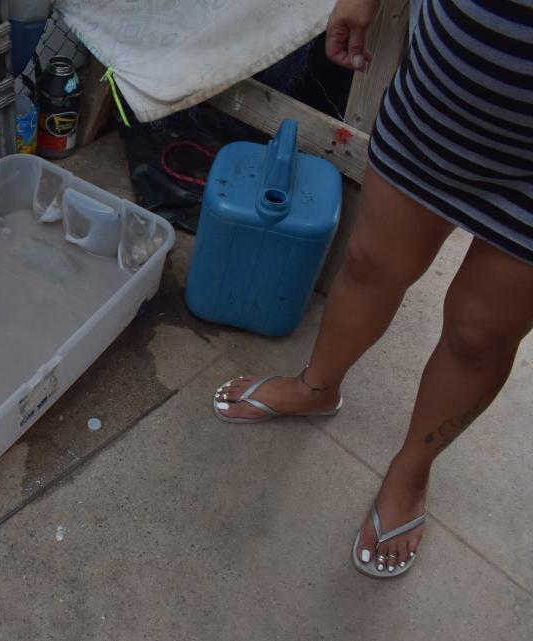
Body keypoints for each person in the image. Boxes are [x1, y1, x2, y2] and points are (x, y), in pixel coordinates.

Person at [213, 0, 533, 578]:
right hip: (443, 99)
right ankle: (317, 386)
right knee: (369, 263)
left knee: (481, 333)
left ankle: (412, 470)